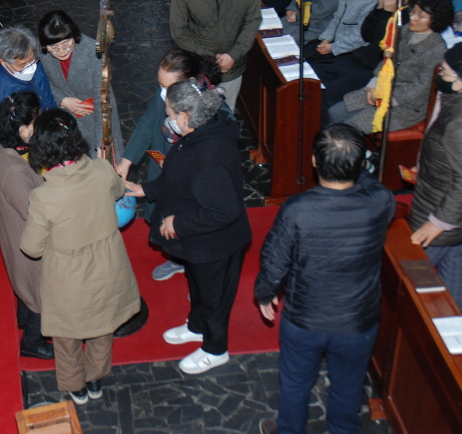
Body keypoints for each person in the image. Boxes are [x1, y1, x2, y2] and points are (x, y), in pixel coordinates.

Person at [254, 124, 395, 434]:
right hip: (358, 320)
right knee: (349, 386)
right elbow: (371, 185)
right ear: (361, 163)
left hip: (305, 318)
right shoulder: (381, 200)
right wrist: (360, 167)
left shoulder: (298, 208)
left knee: (295, 383)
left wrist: (265, 292)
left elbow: (275, 258)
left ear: (314, 161)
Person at [125, 80, 251, 375]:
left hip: (216, 244)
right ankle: (197, 327)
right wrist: (146, 189)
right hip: (198, 241)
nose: (167, 119)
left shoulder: (210, 156)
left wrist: (178, 223)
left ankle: (215, 349)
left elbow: (223, 211)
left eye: (169, 113)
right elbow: (178, 174)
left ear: (184, 116)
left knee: (214, 299)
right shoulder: (197, 134)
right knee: (197, 287)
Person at [20, 109, 140, 405]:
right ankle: (95, 379)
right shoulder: (101, 170)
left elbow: (31, 248)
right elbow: (117, 191)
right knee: (103, 327)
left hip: (68, 278)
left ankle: (76, 386)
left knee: (66, 336)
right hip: (108, 266)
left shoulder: (44, 197)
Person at [115, 49, 224, 281]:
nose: (163, 94)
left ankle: (196, 271)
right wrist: (126, 161)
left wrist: (177, 167)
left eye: (168, 87)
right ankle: (177, 258)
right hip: (162, 165)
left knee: (187, 222)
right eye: (160, 86)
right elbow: (147, 124)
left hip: (190, 180)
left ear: (190, 83)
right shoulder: (164, 94)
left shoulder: (212, 112)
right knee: (164, 215)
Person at [328, 0, 451, 132]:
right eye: (413, 11)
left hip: (404, 105)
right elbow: (386, 62)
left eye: (421, 15)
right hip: (381, 89)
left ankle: (351, 146)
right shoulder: (404, 30)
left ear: (436, 20)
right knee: (335, 112)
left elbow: (420, 89)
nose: (412, 17)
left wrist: (384, 97)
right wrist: (372, 86)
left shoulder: (437, 51)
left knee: (351, 127)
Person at [0, 92, 52, 360]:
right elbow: (34, 213)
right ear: (24, 130)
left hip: (17, 233)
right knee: (39, 291)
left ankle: (23, 318)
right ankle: (32, 342)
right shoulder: (13, 172)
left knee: (26, 287)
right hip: (25, 240)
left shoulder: (7, 146)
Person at [169, 0, 262, 111]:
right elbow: (179, 32)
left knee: (226, 114)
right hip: (199, 68)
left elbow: (253, 19)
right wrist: (211, 58)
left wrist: (233, 55)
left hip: (232, 68)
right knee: (195, 114)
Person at [319, 0, 421, 111]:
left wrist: (387, 13)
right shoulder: (385, 3)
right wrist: (379, 9)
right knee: (314, 76)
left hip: (371, 70)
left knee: (323, 95)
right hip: (356, 59)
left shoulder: (409, 19)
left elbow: (381, 46)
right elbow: (366, 35)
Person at [409, 44, 462, 306]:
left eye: (446, 73)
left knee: (412, 281)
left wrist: (438, 222)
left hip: (438, 210)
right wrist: (425, 163)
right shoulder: (453, 102)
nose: (440, 75)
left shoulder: (458, 123)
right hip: (449, 211)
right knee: (454, 284)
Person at [37, 10, 122, 160]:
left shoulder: (93, 54)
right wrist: (62, 100)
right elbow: (40, 81)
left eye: (66, 44)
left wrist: (101, 145)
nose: (61, 51)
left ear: (74, 35)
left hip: (95, 121)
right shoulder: (41, 51)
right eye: (54, 47)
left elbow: (102, 101)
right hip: (66, 123)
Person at [0, 26, 57, 112]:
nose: (30, 66)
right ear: (4, 62)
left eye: (32, 59)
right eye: (22, 64)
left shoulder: (37, 59)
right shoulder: (1, 98)